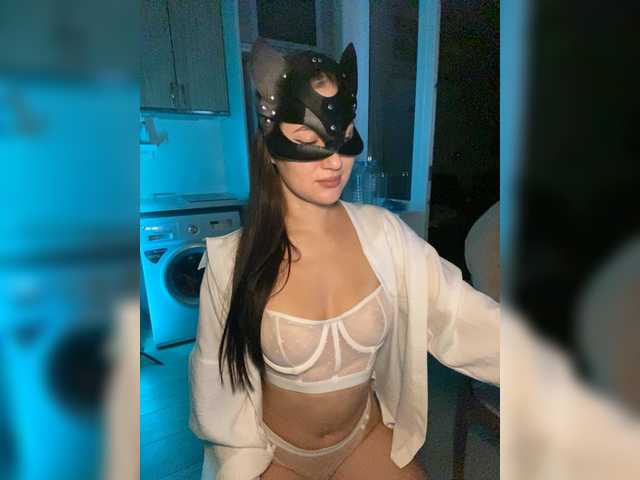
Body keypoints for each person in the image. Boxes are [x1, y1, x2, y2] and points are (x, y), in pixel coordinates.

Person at [189, 39, 500, 480]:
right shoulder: (231, 263)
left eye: (344, 136)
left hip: (362, 437)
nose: (334, 161)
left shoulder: (386, 235)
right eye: (307, 141)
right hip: (275, 454)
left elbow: (463, 317)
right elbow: (215, 388)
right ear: (272, 148)